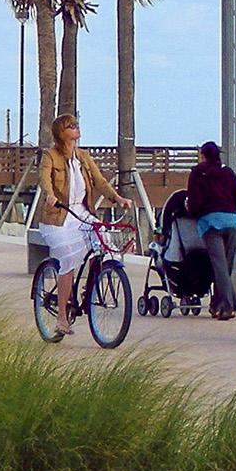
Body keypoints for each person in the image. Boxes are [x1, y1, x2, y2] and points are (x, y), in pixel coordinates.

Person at [36, 114, 135, 338]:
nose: (76, 128)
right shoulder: (50, 155)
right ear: (62, 132)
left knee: (105, 243)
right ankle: (61, 317)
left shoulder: (83, 157)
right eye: (71, 126)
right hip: (58, 215)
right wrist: (50, 195)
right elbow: (44, 179)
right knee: (68, 257)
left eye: (77, 124)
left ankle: (90, 288)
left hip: (81, 213)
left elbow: (100, 181)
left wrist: (117, 198)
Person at [187, 141, 236, 320]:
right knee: (225, 267)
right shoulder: (227, 172)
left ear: (203, 155)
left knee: (220, 267)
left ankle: (229, 306)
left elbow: (194, 203)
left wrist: (195, 211)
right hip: (232, 222)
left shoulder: (197, 173)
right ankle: (218, 304)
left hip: (211, 223)